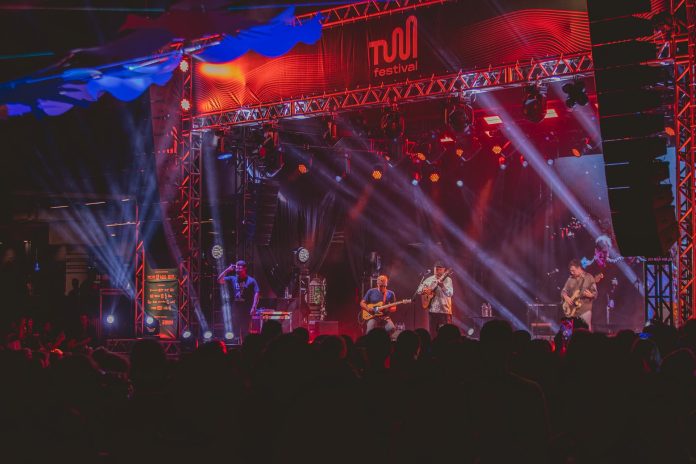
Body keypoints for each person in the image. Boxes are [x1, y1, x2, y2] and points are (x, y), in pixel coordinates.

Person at [217, 260, 260, 340]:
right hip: (236, 308)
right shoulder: (233, 278)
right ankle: (236, 344)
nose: (238, 270)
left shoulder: (251, 280)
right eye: (237, 268)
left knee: (245, 330)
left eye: (240, 268)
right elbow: (219, 280)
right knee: (235, 330)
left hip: (246, 309)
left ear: (244, 268)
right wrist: (228, 270)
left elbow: (257, 293)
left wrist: (254, 306)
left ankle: (245, 344)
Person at [417, 262, 454, 335]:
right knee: (433, 334)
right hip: (432, 311)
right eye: (436, 269)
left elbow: (450, 293)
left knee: (446, 335)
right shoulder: (429, 279)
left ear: (444, 270)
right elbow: (418, 290)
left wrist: (442, 286)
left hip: (444, 311)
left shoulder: (448, 280)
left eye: (439, 269)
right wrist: (424, 290)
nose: (437, 271)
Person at [561, 258, 598, 331]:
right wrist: (565, 297)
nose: (572, 273)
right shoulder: (570, 279)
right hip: (572, 311)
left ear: (579, 268)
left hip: (585, 310)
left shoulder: (589, 277)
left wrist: (591, 295)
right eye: (570, 271)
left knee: (586, 330)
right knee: (570, 332)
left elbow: (595, 292)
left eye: (573, 270)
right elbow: (563, 291)